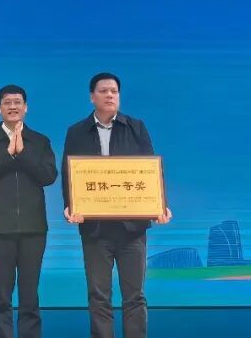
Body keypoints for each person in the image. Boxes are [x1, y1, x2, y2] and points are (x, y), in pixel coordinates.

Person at [61, 73, 172, 338]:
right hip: (95, 229)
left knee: (135, 296)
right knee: (98, 296)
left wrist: (161, 204)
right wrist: (70, 205)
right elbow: (68, 173)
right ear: (92, 97)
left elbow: (150, 170)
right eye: (103, 91)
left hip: (132, 228)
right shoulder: (76, 131)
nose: (110, 95)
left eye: (114, 91)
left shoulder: (136, 127)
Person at [0, 84, 57, 338]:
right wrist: (7, 153)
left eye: (17, 102)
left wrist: (23, 153)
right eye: (7, 103)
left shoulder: (39, 141)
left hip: (33, 229)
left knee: (30, 296)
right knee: (1, 296)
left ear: (25, 107)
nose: (12, 106)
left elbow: (48, 176)